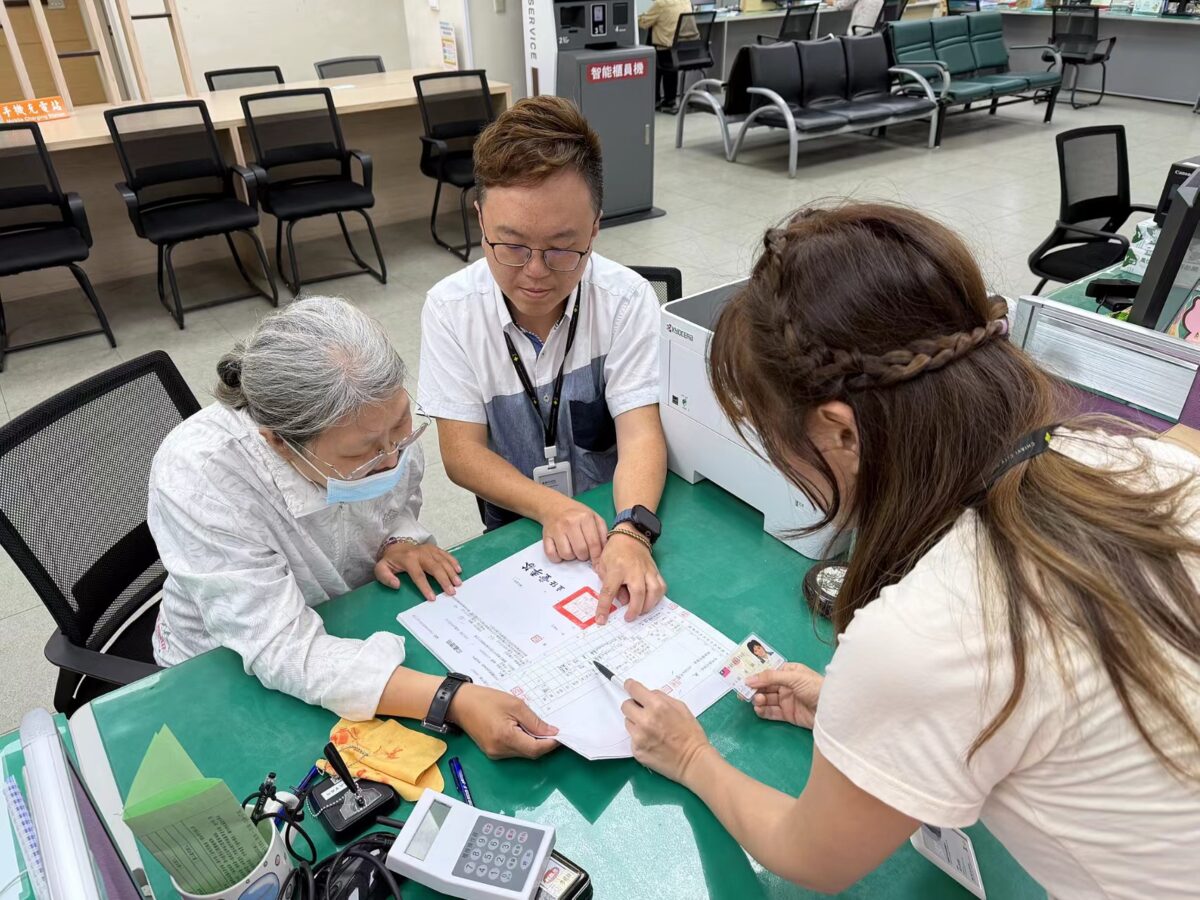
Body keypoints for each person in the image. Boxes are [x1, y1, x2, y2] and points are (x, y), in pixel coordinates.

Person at [619, 203, 1200, 897]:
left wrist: (689, 756)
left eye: (773, 439)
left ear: (840, 433)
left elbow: (814, 858)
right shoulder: (1158, 465)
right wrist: (859, 714)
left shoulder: (922, 633)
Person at [147, 297, 558, 760]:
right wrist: (451, 700)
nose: (392, 457)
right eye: (362, 454)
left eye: (402, 423)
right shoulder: (203, 476)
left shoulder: (380, 427)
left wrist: (399, 538)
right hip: (226, 670)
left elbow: (396, 501)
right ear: (280, 444)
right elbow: (282, 647)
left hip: (352, 616)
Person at [419, 96, 668, 626]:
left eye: (562, 248)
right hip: (519, 524)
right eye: (509, 245)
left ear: (596, 227)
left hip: (617, 513)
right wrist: (550, 506)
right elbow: (461, 454)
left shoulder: (626, 299)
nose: (534, 272)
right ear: (480, 216)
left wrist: (631, 530)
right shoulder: (450, 309)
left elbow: (641, 433)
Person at [638, 0, 698, 113]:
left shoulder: (660, 4)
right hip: (683, 50)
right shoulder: (686, 1)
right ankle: (669, 100)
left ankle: (654, 100)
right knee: (661, 48)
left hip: (667, 51)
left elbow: (643, 23)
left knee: (652, 54)